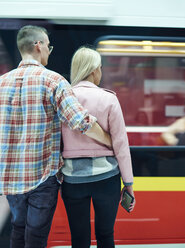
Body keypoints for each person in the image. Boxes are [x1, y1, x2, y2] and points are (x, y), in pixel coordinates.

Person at [0, 26, 111, 248]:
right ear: (38, 45)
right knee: (36, 236)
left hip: (10, 179)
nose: (50, 51)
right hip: (42, 177)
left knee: (18, 229)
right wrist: (111, 141)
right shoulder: (53, 81)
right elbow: (81, 121)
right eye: (48, 46)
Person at [60, 47, 135, 248]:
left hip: (72, 179)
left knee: (79, 238)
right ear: (94, 70)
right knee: (105, 234)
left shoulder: (64, 99)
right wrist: (128, 183)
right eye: (100, 67)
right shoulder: (108, 98)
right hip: (107, 178)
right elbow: (120, 143)